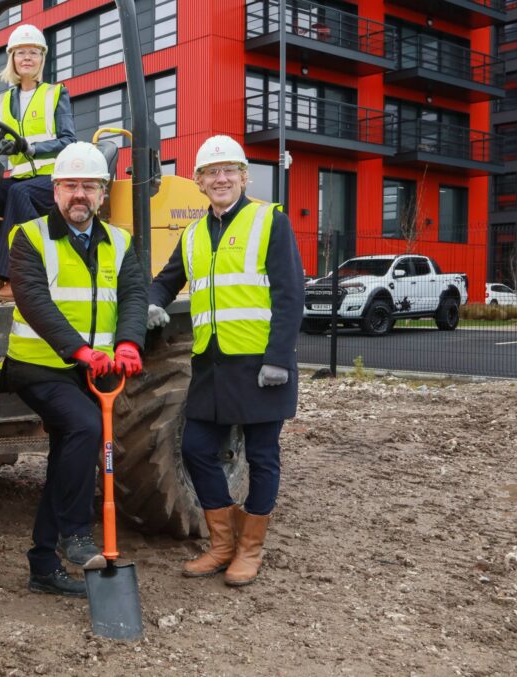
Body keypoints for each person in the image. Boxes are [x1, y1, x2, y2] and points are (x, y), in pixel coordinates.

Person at [146, 135, 303, 587]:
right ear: (198, 182)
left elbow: (290, 295)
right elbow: (166, 279)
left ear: (243, 176)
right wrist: (154, 302)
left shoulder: (268, 221)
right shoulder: (194, 233)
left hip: (259, 365)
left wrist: (278, 359)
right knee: (196, 448)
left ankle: (249, 550)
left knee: (261, 455)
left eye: (228, 171)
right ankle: (221, 545)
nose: (220, 179)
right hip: (212, 364)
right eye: (211, 173)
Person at [4, 142, 147, 597]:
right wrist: (78, 350)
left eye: (88, 186)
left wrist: (128, 342)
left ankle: (43, 564)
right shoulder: (29, 236)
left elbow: (133, 296)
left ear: (103, 194)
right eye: (70, 186)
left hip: (94, 370)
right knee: (86, 429)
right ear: (55, 190)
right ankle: (74, 533)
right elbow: (34, 300)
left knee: (68, 457)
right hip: (39, 365)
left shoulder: (121, 241)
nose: (79, 195)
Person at [0, 23, 77, 299]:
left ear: (41, 59)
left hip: (53, 180)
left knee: (17, 192)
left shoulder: (55, 94)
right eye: (21, 53)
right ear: (12, 59)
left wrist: (32, 148)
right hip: (21, 178)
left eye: (34, 52)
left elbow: (68, 140)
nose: (27, 57)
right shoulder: (3, 101)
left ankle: (18, 277)